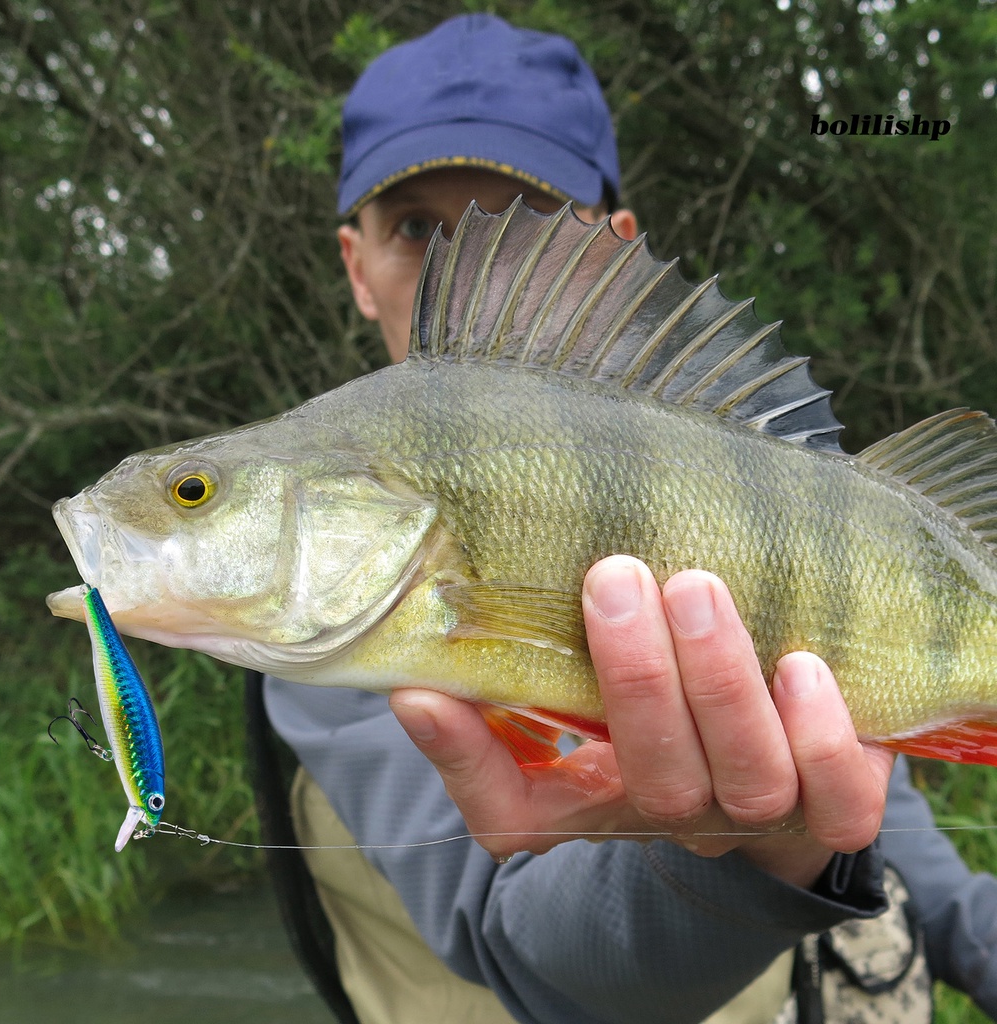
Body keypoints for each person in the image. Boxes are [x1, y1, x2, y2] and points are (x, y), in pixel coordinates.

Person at [260, 13, 997, 1023]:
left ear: (615, 247)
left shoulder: (781, 496)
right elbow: (527, 951)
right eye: (418, 229)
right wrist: (755, 850)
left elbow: (902, 838)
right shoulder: (328, 629)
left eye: (523, 220)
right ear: (355, 263)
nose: (464, 264)